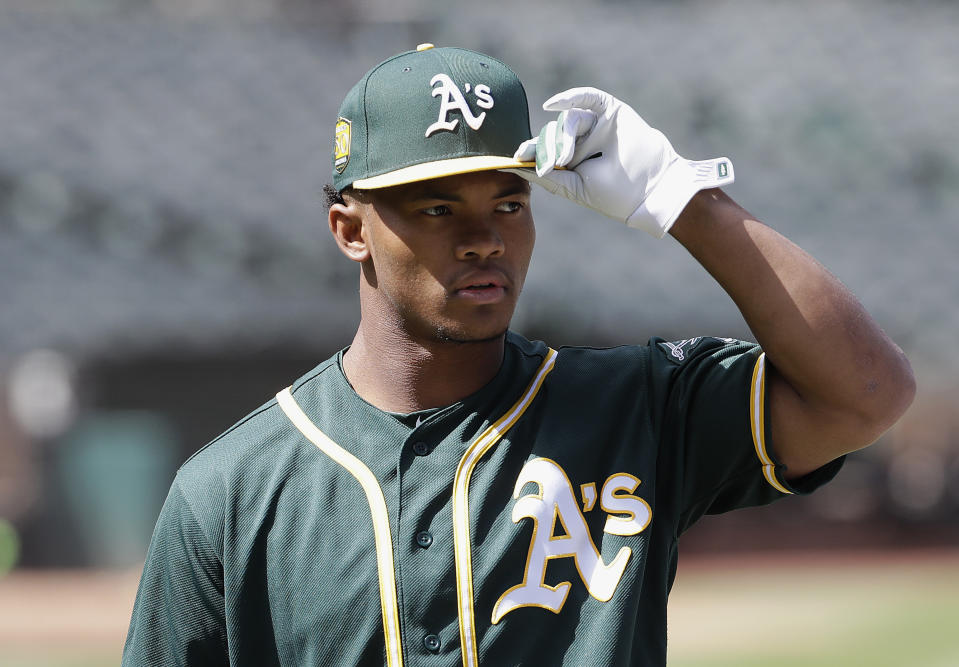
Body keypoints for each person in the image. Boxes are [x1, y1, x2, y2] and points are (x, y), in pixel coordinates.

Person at [122, 44, 915, 666]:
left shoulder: (634, 407)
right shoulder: (227, 492)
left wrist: (684, 199)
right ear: (349, 230)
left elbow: (866, 393)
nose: (485, 237)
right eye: (437, 207)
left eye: (508, 200)